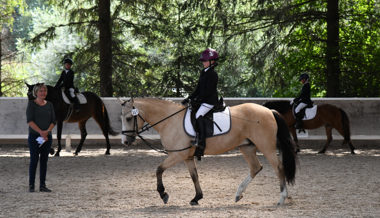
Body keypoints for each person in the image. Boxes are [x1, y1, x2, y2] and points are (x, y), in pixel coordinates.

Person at [182, 48, 219, 159]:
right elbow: (198, 89)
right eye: (203, 61)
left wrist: (197, 100)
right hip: (203, 100)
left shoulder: (213, 74)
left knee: (198, 116)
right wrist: (189, 98)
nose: (203, 63)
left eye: (205, 61)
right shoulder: (204, 72)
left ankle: (201, 143)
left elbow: (208, 91)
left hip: (209, 101)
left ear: (212, 61)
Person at [26, 83, 56, 192]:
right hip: (34, 137)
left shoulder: (50, 105)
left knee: (44, 161)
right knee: (34, 160)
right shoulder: (31, 104)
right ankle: (31, 185)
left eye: (44, 91)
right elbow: (30, 121)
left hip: (47, 137)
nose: (43, 93)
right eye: (41, 91)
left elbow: (53, 121)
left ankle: (42, 185)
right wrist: (40, 132)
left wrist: (47, 132)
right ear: (36, 92)